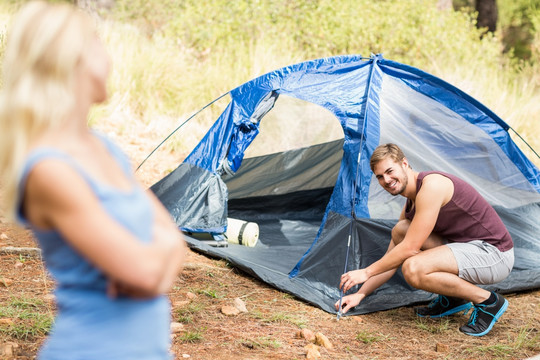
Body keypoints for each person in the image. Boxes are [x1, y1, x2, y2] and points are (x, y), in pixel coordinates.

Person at [0, 1, 187, 359]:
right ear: (70, 59)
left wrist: (152, 264)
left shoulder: (104, 148)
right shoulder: (49, 170)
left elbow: (171, 240)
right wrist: (153, 263)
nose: (110, 58)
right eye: (97, 43)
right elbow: (149, 269)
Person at [335, 143, 514, 337]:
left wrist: (366, 272)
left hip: (495, 254)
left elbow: (410, 249)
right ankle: (453, 298)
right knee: (401, 230)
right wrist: (360, 294)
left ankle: (488, 302)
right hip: (467, 249)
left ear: (404, 163)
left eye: (389, 171)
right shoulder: (410, 203)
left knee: (414, 268)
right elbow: (392, 257)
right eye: (379, 176)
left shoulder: (432, 186)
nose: (386, 180)